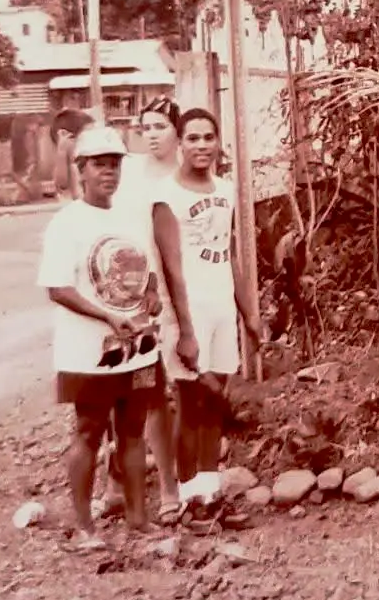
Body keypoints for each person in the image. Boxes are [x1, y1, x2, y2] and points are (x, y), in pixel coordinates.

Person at [36, 125, 163, 550]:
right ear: (81, 170)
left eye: (114, 164)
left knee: (133, 431)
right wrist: (106, 315)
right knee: (89, 430)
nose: (108, 172)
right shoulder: (66, 222)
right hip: (89, 350)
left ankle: (138, 519)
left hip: (138, 346)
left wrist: (152, 294)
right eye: (99, 164)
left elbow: (144, 269)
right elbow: (57, 287)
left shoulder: (128, 217)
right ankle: (83, 526)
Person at [153, 108, 263, 530]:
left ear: (219, 143)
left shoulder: (226, 189)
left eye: (208, 137)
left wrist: (248, 313)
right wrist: (184, 329)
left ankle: (211, 494)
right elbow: (171, 266)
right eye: (193, 138)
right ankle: (187, 501)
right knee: (189, 405)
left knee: (215, 403)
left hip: (220, 308)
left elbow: (228, 253)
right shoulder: (167, 195)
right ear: (180, 143)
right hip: (188, 311)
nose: (201, 145)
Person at [92, 97, 185, 527]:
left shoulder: (187, 176)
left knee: (161, 396)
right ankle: (115, 485)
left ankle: (172, 485)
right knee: (120, 392)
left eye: (160, 125)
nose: (151, 133)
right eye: (145, 126)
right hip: (129, 303)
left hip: (171, 299)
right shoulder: (129, 180)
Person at [50, 108, 95, 200]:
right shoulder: (66, 161)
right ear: (66, 137)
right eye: (87, 136)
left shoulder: (89, 159)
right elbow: (62, 184)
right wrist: (62, 151)